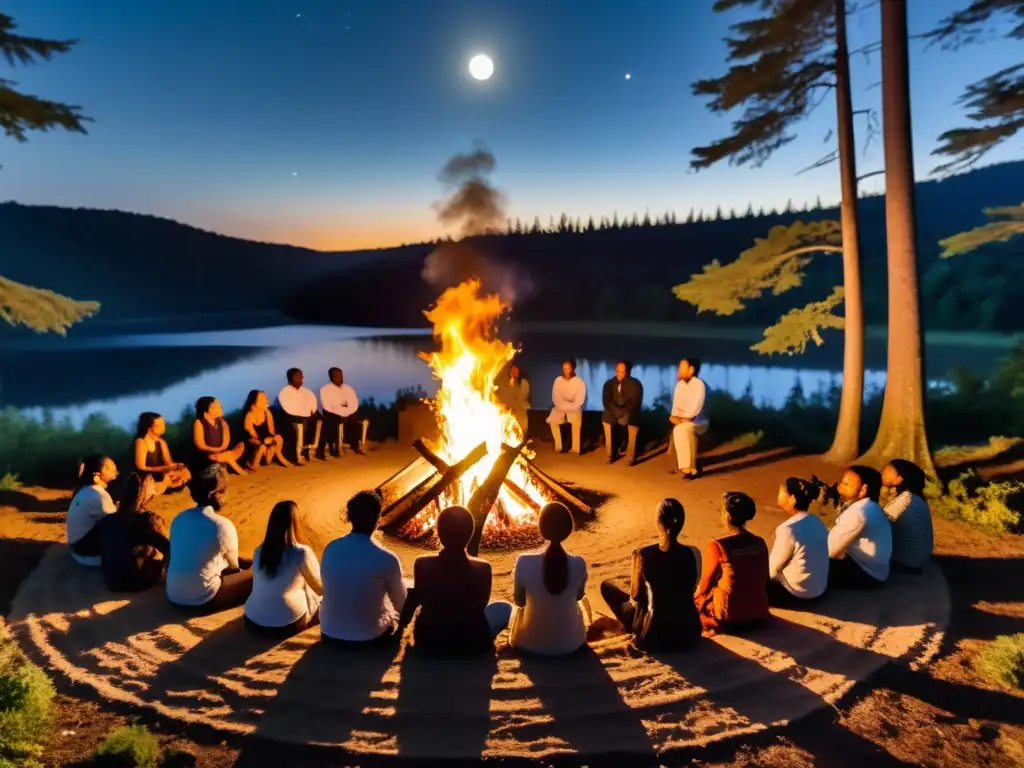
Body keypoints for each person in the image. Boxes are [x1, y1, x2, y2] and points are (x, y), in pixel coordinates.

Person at [405, 506, 513, 658]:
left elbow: (420, 599)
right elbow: (481, 606)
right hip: (473, 642)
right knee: (505, 608)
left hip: (430, 642)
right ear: (470, 534)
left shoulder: (422, 564)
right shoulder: (483, 568)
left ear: (439, 533)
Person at [599, 498, 702, 652]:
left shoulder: (643, 554)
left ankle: (633, 626)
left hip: (653, 636)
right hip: (689, 634)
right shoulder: (693, 553)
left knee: (607, 586)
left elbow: (635, 597)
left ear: (658, 522)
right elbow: (692, 587)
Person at [319, 490, 408, 647]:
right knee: (394, 612)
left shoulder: (331, 548)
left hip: (329, 633)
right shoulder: (387, 558)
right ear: (377, 519)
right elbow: (401, 601)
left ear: (350, 517)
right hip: (368, 638)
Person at [165, 464, 253, 611]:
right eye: (224, 491)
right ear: (215, 494)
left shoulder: (179, 518)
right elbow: (233, 569)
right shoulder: (222, 525)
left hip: (173, 595)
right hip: (203, 599)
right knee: (259, 574)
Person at [509, 502, 589, 655]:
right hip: (571, 643)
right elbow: (578, 597)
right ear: (568, 529)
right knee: (583, 602)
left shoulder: (524, 562)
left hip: (529, 644)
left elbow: (519, 602)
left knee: (504, 607)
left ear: (542, 528)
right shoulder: (579, 563)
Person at [694, 492, 770, 635]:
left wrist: (697, 596)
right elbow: (764, 576)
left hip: (728, 615)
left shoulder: (717, 546)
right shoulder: (759, 542)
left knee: (697, 601)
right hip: (758, 610)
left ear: (728, 516)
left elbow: (705, 584)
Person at [244, 501, 323, 637]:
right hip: (287, 625)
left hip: (252, 621)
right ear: (295, 522)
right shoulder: (301, 552)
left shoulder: (259, 551)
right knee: (314, 592)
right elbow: (320, 589)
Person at [100, 473, 170, 592]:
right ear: (145, 492)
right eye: (152, 488)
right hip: (134, 582)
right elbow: (167, 547)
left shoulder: (110, 518)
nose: (154, 491)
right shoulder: (146, 520)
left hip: (111, 581)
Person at [767, 478, 830, 607]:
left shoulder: (788, 529)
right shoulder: (816, 521)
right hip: (819, 591)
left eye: (782, 491)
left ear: (793, 499)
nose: (778, 494)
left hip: (796, 594)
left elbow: (772, 570)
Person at [827, 465, 892, 589]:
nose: (840, 487)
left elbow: (828, 550)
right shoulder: (871, 506)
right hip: (875, 569)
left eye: (847, 485)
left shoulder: (858, 513)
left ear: (863, 490)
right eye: (842, 482)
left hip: (866, 573)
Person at [882, 459, 933, 574]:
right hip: (917, 561)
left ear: (899, 479)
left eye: (888, 470)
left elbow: (880, 525)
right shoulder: (915, 498)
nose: (883, 472)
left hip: (906, 562)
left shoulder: (904, 499)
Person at [66, 454, 119, 566]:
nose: (115, 473)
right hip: (85, 551)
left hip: (77, 547)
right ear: (97, 476)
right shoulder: (98, 495)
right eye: (110, 469)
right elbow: (117, 522)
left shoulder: (85, 490)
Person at [669, 357, 708, 479]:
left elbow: (696, 407)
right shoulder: (679, 385)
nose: (679, 370)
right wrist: (675, 416)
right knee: (681, 428)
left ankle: (688, 468)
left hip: (700, 421)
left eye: (682, 367)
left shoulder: (699, 384)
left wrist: (686, 418)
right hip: (683, 420)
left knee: (682, 429)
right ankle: (689, 468)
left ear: (691, 369)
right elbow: (676, 407)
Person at [133, 412, 190, 493]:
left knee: (185, 472)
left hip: (162, 473)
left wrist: (174, 468)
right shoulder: (141, 442)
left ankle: (171, 484)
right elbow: (141, 467)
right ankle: (169, 485)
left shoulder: (161, 442)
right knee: (164, 477)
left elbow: (168, 462)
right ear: (150, 428)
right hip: (149, 475)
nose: (164, 427)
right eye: (160, 426)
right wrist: (163, 469)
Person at [601, 360, 643, 465]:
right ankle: (610, 455)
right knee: (606, 418)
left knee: (633, 420)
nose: (619, 374)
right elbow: (606, 400)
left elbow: (635, 402)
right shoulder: (609, 384)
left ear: (628, 372)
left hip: (627, 412)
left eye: (622, 372)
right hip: (613, 412)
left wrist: (623, 412)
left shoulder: (635, 384)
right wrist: (614, 411)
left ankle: (630, 455)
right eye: (617, 371)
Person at [319, 367, 369, 458]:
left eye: (341, 374)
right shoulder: (325, 389)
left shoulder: (348, 389)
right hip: (332, 413)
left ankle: (357, 445)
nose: (340, 377)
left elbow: (353, 404)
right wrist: (341, 408)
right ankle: (336, 448)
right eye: (336, 375)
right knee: (332, 421)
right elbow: (327, 406)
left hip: (349, 412)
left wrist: (345, 410)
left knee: (359, 418)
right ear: (331, 377)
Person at [277, 368, 323, 463]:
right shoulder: (284, 393)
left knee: (319, 420)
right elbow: (289, 409)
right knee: (300, 423)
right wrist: (304, 414)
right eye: (298, 377)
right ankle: (299, 455)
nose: (301, 378)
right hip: (291, 418)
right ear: (291, 378)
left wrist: (311, 412)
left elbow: (312, 405)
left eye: (301, 376)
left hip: (305, 416)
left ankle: (312, 451)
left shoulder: (306, 392)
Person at [192, 396, 246, 475]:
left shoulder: (222, 422)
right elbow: (200, 445)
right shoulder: (198, 423)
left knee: (239, 447)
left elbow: (226, 440)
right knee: (218, 457)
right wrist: (214, 450)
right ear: (209, 409)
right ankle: (239, 471)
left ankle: (224, 464)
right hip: (207, 456)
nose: (221, 408)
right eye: (218, 406)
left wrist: (221, 449)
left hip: (221, 452)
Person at [241, 390, 290, 470]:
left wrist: (272, 439)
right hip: (253, 443)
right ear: (254, 401)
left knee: (278, 438)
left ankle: (274, 458)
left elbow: (271, 431)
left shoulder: (267, 413)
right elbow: (252, 435)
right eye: (262, 399)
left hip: (265, 440)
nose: (266, 400)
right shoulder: (249, 416)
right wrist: (265, 440)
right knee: (262, 446)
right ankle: (254, 464)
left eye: (265, 398)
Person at [546, 359, 586, 455]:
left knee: (576, 419)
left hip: (574, 407)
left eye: (568, 368)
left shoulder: (578, 381)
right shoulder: (558, 380)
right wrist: (563, 406)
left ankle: (575, 448)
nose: (566, 371)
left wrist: (571, 406)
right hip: (561, 406)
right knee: (552, 420)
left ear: (573, 369)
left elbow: (580, 399)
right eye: (564, 369)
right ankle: (559, 446)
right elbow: (556, 397)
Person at [497, 363, 531, 438]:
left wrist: (512, 404)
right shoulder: (507, 383)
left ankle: (523, 446)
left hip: (520, 410)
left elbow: (522, 396)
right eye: (512, 371)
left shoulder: (523, 382)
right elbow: (504, 395)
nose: (514, 373)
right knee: (511, 431)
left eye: (516, 371)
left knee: (522, 431)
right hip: (510, 410)